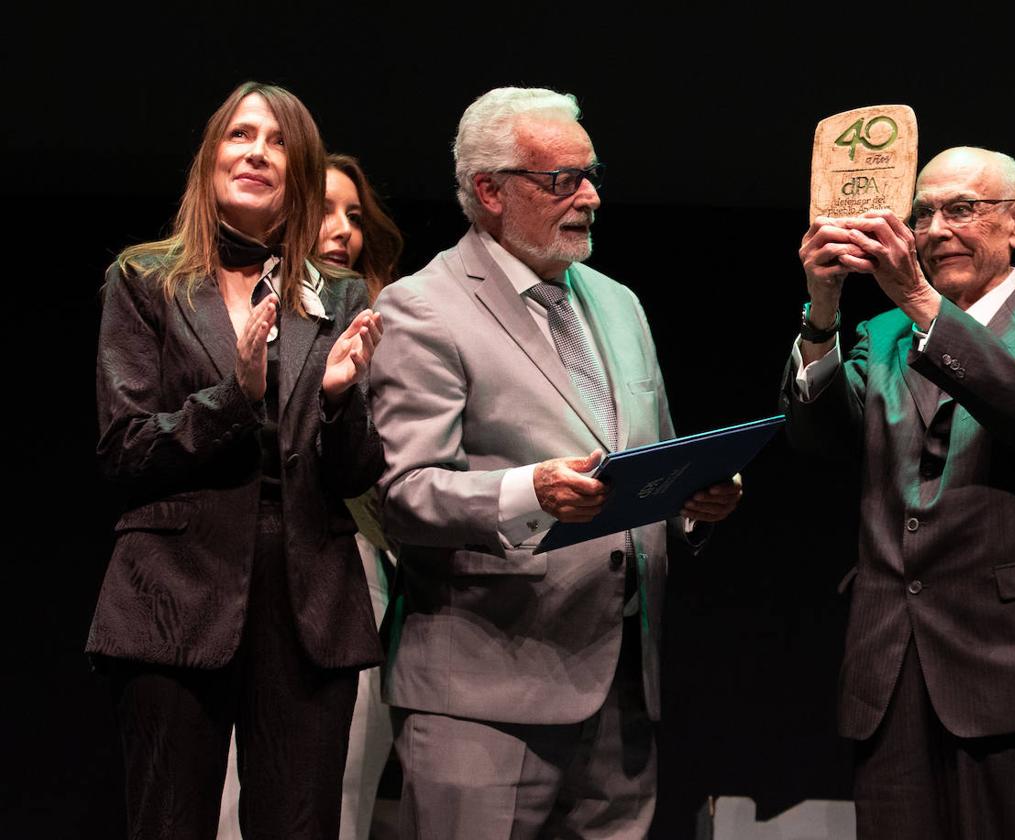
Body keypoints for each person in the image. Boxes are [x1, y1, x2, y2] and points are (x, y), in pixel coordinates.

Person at [369, 86, 742, 839]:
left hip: (623, 689)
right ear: (490, 190)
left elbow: (656, 457)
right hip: (485, 696)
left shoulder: (617, 303)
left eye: (591, 174)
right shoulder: (423, 307)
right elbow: (404, 493)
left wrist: (697, 501)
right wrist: (525, 491)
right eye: (562, 179)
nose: (591, 197)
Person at [780, 146, 1015, 839]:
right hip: (896, 669)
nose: (937, 229)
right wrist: (821, 315)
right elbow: (822, 437)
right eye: (923, 214)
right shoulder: (881, 333)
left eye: (962, 209)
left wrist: (920, 300)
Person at [88, 82, 385, 840]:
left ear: (304, 171)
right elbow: (123, 448)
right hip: (171, 597)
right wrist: (235, 394)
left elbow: (355, 476)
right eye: (241, 135)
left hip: (308, 602)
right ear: (211, 155)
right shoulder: (146, 280)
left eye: (279, 141)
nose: (257, 152)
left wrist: (343, 398)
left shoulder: (339, 295)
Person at [216, 152, 405, 840]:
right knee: (241, 797)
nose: (343, 228)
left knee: (338, 798)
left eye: (354, 215)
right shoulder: (239, 318)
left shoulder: (385, 325)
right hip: (262, 568)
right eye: (324, 209)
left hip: (358, 579)